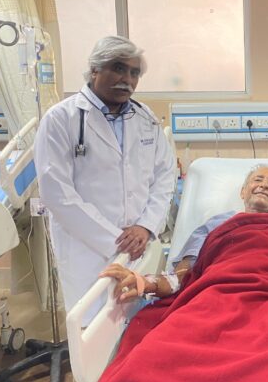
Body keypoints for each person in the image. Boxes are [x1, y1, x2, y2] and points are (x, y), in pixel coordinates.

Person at [34, 36, 177, 314]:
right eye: (119, 68)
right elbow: (57, 193)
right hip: (86, 248)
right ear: (95, 70)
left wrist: (146, 227)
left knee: (138, 322)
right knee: (90, 323)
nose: (127, 79)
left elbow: (164, 176)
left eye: (134, 73)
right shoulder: (61, 119)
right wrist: (116, 239)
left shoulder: (145, 117)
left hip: (140, 244)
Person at [101, 164, 268, 301]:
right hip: (220, 296)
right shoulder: (216, 225)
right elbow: (181, 277)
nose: (264, 185)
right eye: (258, 180)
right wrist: (145, 283)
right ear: (243, 192)